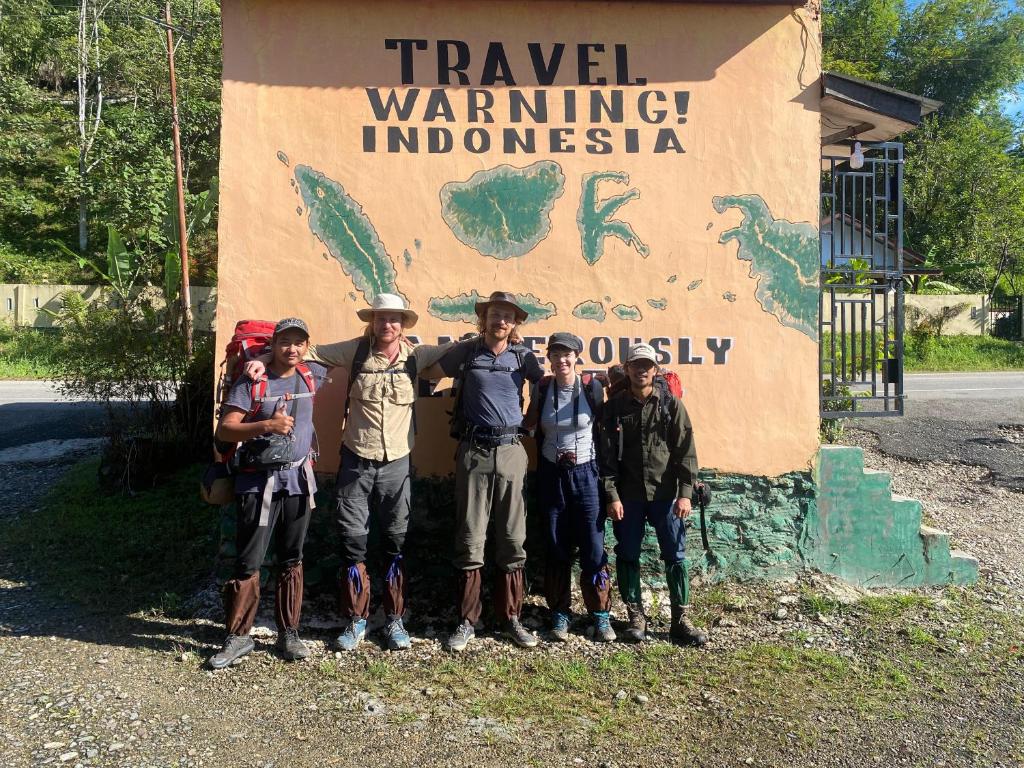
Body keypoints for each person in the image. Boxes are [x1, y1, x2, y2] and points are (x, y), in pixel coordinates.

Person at [244, 294, 450, 652]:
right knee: (352, 541)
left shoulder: (418, 356)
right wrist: (263, 358)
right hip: (356, 460)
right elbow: (305, 353)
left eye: (395, 319)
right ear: (372, 321)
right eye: (381, 318)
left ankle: (394, 619)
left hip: (397, 463)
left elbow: (462, 353)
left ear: (403, 324)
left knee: (394, 541)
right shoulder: (353, 351)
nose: (388, 325)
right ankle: (356, 620)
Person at [420, 291, 544, 651]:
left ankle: (511, 618)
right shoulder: (467, 351)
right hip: (473, 451)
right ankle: (466, 621)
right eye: (494, 314)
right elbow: (429, 373)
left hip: (510, 451)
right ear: (484, 319)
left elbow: (545, 388)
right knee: (471, 536)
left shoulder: (523, 356)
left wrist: (531, 420)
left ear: (515, 323)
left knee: (512, 537)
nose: (499, 321)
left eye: (507, 316)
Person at [209, 318, 327, 669]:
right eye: (284, 342)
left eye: (299, 343)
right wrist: (267, 425)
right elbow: (226, 430)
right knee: (249, 560)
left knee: (292, 558)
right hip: (257, 484)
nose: (292, 349)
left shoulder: (312, 374)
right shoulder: (252, 380)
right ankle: (237, 636)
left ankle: (288, 633)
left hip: (298, 481)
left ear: (307, 346)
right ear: (273, 345)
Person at [599, 343, 708, 646]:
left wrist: (685, 493)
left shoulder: (671, 405)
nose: (642, 370)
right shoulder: (615, 408)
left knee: (675, 555)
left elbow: (686, 452)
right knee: (627, 554)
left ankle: (680, 620)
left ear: (656, 369)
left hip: (666, 495)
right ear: (628, 368)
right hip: (628, 497)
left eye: (647, 365)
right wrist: (612, 495)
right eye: (636, 364)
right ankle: (636, 618)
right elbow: (605, 457)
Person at [524, 332, 615, 643]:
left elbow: (606, 424)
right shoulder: (542, 387)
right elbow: (529, 422)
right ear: (548, 358)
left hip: (587, 474)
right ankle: (560, 613)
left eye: (568, 354)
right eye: (556, 354)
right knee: (556, 544)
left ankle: (600, 615)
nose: (562, 360)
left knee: (593, 543)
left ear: (577, 357)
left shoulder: (593, 387)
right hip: (552, 473)